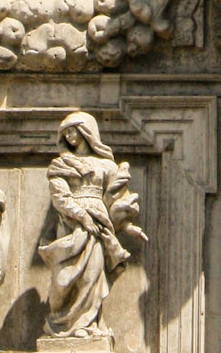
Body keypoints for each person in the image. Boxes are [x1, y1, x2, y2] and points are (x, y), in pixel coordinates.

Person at [39, 112, 145, 339]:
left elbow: (116, 201)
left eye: (73, 130)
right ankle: (63, 325)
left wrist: (126, 226)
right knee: (63, 278)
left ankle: (87, 325)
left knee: (92, 276)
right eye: (66, 132)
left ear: (87, 131)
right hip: (70, 224)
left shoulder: (106, 165)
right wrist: (82, 217)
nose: (69, 135)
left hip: (99, 225)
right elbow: (59, 197)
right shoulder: (60, 164)